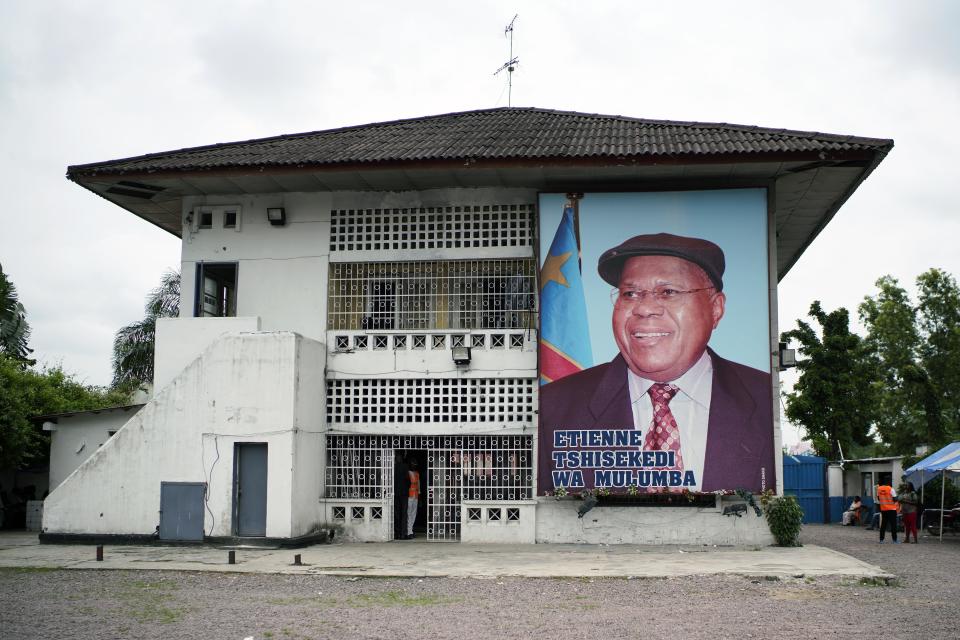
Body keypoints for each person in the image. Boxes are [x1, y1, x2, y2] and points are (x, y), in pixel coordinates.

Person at [539, 232, 774, 493]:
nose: (644, 308)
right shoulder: (550, 407)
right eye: (630, 293)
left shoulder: (765, 398)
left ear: (716, 308)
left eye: (668, 292)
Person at [406, 459, 420, 540]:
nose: (414, 466)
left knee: (413, 514)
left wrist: (419, 495)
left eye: (415, 464)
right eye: (413, 464)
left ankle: (410, 530)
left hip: (415, 495)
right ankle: (409, 531)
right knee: (409, 513)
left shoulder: (417, 474)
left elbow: (418, 485)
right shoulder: (408, 473)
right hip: (409, 495)